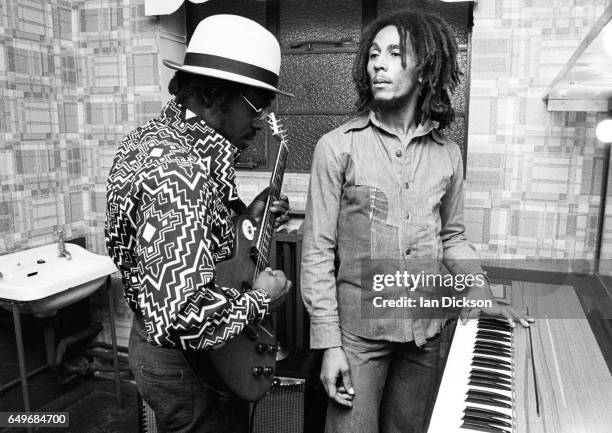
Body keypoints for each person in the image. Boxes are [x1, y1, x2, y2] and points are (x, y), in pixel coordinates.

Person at [300, 9, 534, 433]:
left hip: (425, 334)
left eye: (394, 53)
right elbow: (317, 251)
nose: (378, 64)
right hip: (359, 337)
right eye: (373, 54)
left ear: (425, 70)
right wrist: (329, 343)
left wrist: (481, 294)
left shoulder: (448, 154)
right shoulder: (335, 148)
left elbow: (454, 237)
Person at [105, 15, 293, 433]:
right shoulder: (180, 172)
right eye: (256, 104)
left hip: (158, 344)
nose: (261, 121)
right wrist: (261, 298)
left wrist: (251, 216)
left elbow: (194, 241)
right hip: (189, 362)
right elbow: (185, 315)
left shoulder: (154, 139)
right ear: (212, 93)